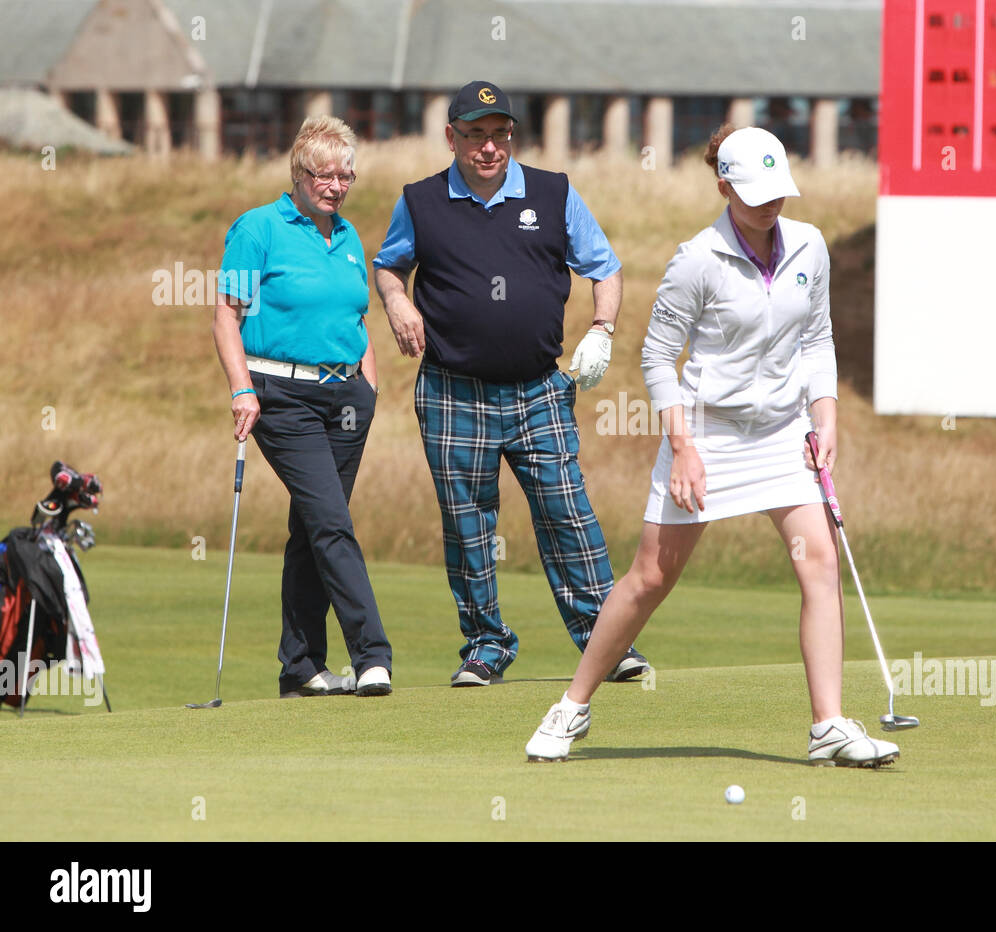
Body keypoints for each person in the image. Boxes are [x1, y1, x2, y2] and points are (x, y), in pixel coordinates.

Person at [525, 125, 901, 767]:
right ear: (723, 185)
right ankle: (572, 706)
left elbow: (817, 341)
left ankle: (829, 725)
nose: (769, 204)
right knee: (650, 578)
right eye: (753, 193)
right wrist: (683, 446)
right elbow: (657, 355)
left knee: (820, 565)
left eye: (777, 191)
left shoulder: (810, 246)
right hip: (706, 435)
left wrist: (826, 415)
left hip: (784, 435)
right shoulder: (696, 258)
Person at [373, 81, 649, 686]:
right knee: (468, 523)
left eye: (499, 134)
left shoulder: (552, 193)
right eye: (475, 135)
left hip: (539, 388)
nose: (489, 147)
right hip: (452, 389)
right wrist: (396, 303)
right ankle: (485, 646)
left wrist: (602, 328)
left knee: (567, 512)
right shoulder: (421, 201)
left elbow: (604, 267)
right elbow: (389, 266)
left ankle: (606, 641)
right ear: (452, 138)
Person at [213, 115, 393, 699]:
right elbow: (226, 317)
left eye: (347, 176)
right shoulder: (257, 228)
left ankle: (301, 666)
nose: (336, 186)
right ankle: (372, 655)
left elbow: (356, 316)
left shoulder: (347, 237)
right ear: (299, 172)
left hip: (346, 398)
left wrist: (368, 383)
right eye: (325, 174)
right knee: (333, 523)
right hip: (282, 396)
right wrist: (242, 389)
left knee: (311, 529)